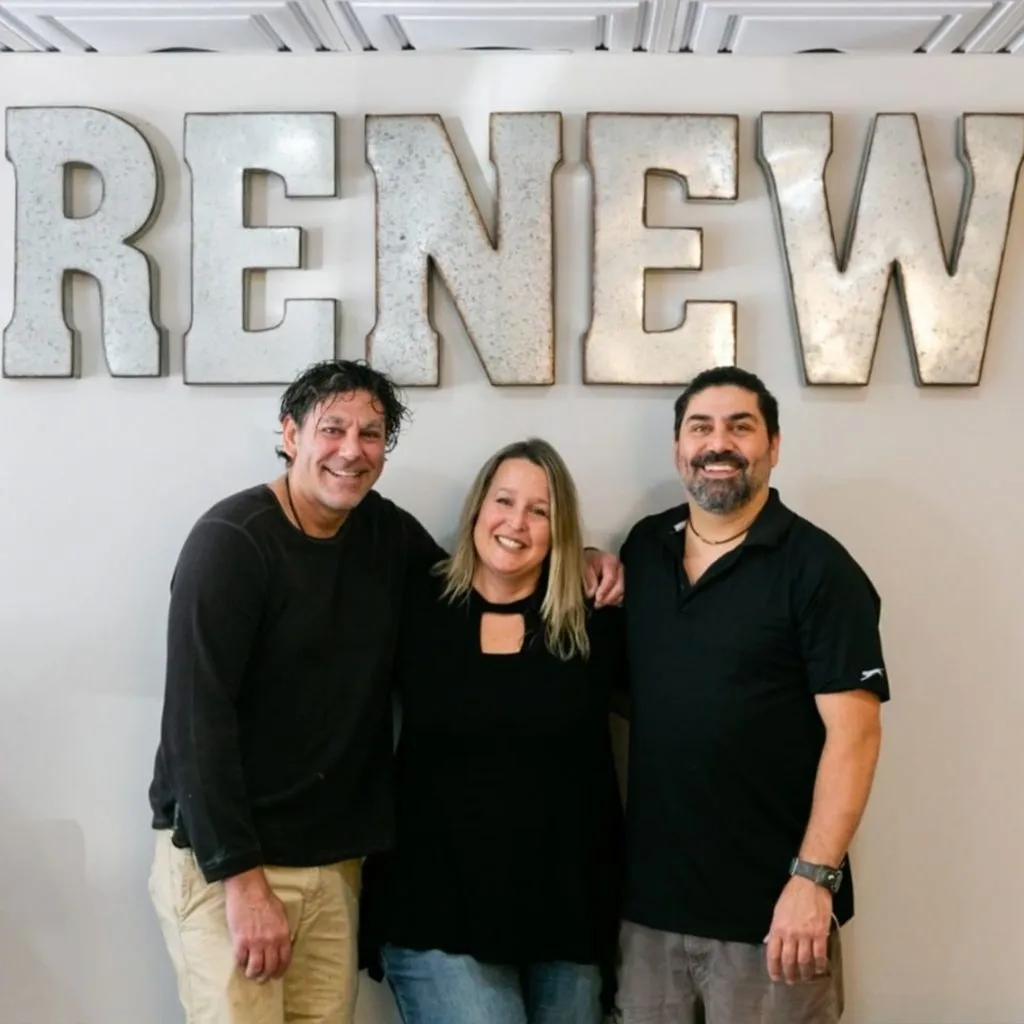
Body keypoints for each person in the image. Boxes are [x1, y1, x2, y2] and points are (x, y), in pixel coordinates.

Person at [146, 360, 624, 1024]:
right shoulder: (233, 544)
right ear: (290, 433)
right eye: (332, 428)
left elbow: (484, 576)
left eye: (371, 434)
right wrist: (242, 880)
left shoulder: (383, 534)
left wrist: (586, 556)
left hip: (334, 867)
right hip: (237, 867)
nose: (351, 450)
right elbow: (197, 725)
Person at [615, 366, 889, 1024]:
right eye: (700, 427)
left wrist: (813, 880)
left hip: (774, 919)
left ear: (773, 445)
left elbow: (856, 735)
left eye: (741, 426)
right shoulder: (645, 550)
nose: (720, 443)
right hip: (649, 916)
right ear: (678, 448)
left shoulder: (819, 570)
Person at [358, 438, 627, 1024]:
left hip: (570, 916)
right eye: (504, 501)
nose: (517, 522)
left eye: (540, 511)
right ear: (477, 509)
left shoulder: (593, 623)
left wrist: (591, 555)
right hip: (436, 910)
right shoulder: (416, 606)